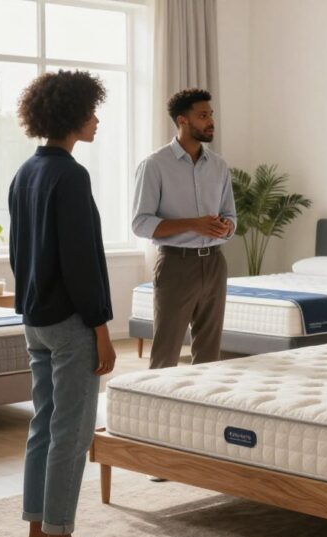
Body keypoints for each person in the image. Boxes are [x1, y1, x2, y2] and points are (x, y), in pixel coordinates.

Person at [9, 69, 117, 537]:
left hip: (35, 319)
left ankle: (38, 532)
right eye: (92, 111)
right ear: (74, 115)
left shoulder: (25, 173)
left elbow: (18, 254)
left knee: (43, 427)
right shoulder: (71, 176)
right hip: (72, 323)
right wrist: (100, 329)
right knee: (72, 434)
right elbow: (82, 261)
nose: (96, 120)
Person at [132, 88, 236, 369]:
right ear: (182, 121)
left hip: (215, 263)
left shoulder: (219, 165)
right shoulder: (155, 165)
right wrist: (194, 223)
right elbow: (141, 223)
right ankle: (156, 410)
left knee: (209, 353)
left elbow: (231, 216)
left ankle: (202, 410)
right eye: (203, 116)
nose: (210, 121)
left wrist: (225, 227)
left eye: (211, 115)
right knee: (166, 352)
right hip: (176, 264)